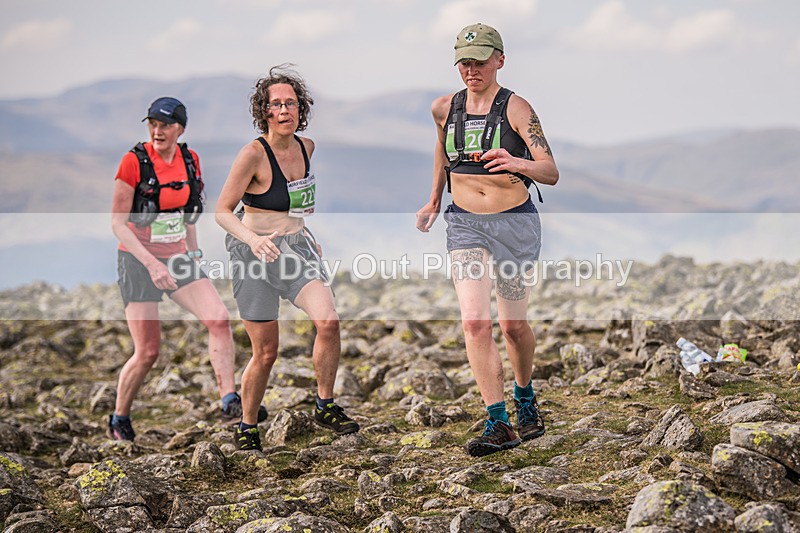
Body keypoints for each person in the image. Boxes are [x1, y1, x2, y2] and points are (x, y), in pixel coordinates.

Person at [415, 24, 559, 457]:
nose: (471, 69)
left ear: (500, 60)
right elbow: (442, 151)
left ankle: (525, 395)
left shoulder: (517, 108)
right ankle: (498, 422)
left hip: (514, 225)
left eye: (479, 60)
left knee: (513, 327)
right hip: (465, 225)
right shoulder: (444, 108)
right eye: (464, 61)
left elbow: (550, 171)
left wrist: (517, 162)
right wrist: (434, 199)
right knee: (475, 322)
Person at [216, 66, 359, 451]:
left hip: (296, 251)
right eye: (276, 104)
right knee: (266, 352)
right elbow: (222, 212)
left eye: (291, 103)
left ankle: (325, 405)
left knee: (328, 321)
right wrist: (253, 240)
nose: (284, 111)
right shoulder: (252, 155)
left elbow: (296, 202)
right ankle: (247, 426)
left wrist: (303, 231)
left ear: (301, 109)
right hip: (253, 256)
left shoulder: (306, 147)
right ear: (264, 111)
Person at [110, 97, 265, 441]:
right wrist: (152, 265)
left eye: (165, 125)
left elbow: (188, 215)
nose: (157, 131)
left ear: (180, 128)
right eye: (153, 124)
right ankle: (119, 417)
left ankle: (228, 399)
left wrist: (193, 254)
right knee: (148, 351)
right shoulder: (133, 162)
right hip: (137, 261)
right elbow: (118, 224)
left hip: (177, 256)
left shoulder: (189, 159)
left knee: (218, 318)